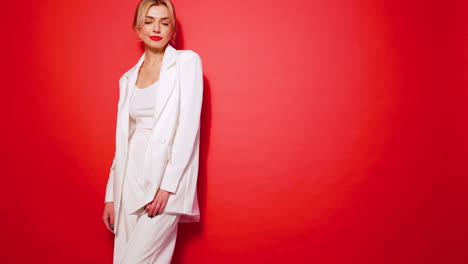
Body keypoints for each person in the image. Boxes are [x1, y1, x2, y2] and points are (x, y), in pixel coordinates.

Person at [102, 0, 203, 263]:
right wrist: (111, 196)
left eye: (164, 22)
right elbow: (123, 141)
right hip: (129, 181)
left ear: (173, 30)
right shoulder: (127, 79)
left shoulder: (186, 63)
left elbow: (188, 128)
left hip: (166, 181)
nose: (156, 28)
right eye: (149, 21)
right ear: (138, 28)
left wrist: (167, 187)